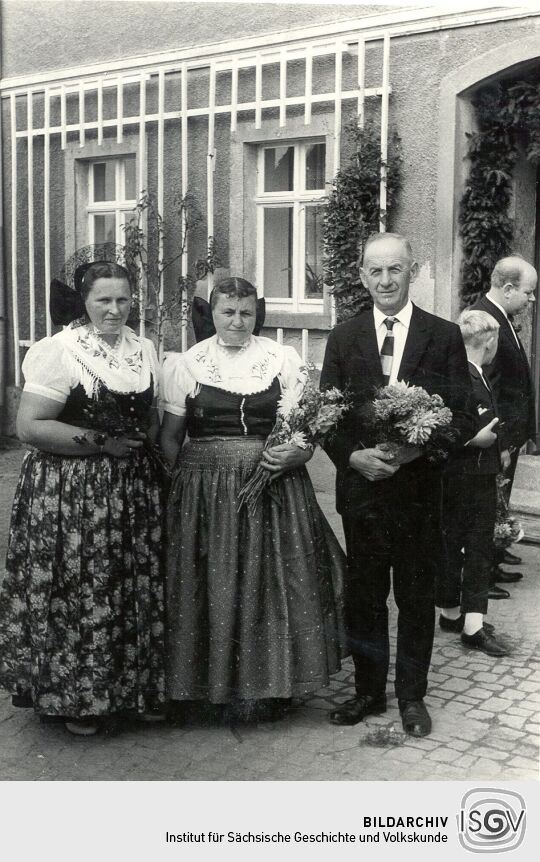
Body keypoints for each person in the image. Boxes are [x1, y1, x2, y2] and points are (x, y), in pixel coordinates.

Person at [160, 277, 346, 723]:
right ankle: (203, 686)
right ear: (212, 314)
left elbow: (305, 431)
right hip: (206, 491)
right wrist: (183, 490)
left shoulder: (281, 359)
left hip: (275, 486)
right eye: (227, 312)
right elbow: (170, 437)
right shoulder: (187, 364)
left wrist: (299, 453)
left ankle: (273, 684)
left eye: (246, 313)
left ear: (256, 314)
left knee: (272, 582)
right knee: (213, 582)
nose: (237, 322)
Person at [0, 260, 166, 736]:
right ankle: (77, 698)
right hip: (71, 492)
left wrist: (144, 447)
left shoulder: (143, 348)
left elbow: (152, 416)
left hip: (132, 488)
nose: (115, 310)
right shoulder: (61, 350)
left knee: (129, 585)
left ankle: (132, 691)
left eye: (123, 299)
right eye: (103, 300)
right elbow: (30, 427)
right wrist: (102, 442)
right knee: (82, 587)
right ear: (84, 302)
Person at [320, 233, 474, 737]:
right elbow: (326, 416)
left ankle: (411, 697)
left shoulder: (443, 336)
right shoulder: (344, 337)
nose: (385, 281)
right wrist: (352, 457)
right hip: (363, 494)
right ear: (362, 276)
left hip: (419, 496)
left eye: (395, 269)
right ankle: (368, 693)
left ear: (412, 270)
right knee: (365, 597)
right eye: (376, 271)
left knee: (414, 598)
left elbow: (463, 417)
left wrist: (417, 450)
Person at [437, 310, 508, 657]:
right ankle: (473, 627)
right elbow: (450, 428)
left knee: (451, 544)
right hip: (473, 476)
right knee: (478, 548)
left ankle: (451, 614)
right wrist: (475, 441)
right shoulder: (468, 376)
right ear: (489, 342)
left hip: (458, 476)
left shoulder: (463, 372)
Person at [471, 256, 537, 587]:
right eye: (529, 291)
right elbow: (488, 388)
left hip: (509, 433)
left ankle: (495, 553)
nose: (532, 299)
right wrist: (502, 441)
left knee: (500, 501)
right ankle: (484, 573)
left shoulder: (502, 316)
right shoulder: (484, 320)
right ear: (508, 288)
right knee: (489, 504)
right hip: (499, 435)